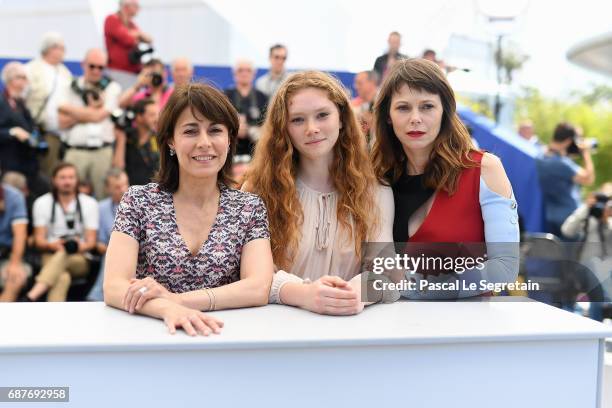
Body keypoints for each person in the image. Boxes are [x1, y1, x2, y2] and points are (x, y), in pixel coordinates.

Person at [104, 83, 273, 336]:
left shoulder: (249, 207)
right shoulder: (138, 201)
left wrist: (178, 301)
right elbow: (114, 287)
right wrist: (164, 310)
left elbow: (258, 287)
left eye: (215, 130)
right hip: (151, 337)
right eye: (191, 131)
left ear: (229, 139)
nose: (204, 143)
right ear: (171, 140)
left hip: (225, 339)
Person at [243, 71, 396, 315]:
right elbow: (251, 275)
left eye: (322, 115)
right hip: (277, 331)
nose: (312, 129)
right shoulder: (258, 189)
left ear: (342, 119)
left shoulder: (375, 191)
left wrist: (357, 293)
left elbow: (387, 272)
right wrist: (306, 295)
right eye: (297, 120)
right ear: (284, 128)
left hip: (350, 331)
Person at [371, 58, 520, 299]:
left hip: (464, 330)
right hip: (391, 328)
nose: (415, 118)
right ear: (388, 116)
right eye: (403, 107)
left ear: (445, 112)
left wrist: (415, 287)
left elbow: (505, 268)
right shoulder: (375, 177)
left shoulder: (484, 169)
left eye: (427, 106)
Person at [27, 163, 99, 302]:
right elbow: (39, 240)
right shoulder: (42, 203)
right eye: (62, 177)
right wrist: (53, 245)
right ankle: (55, 320)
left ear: (77, 180)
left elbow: (91, 242)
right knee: (62, 277)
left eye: (71, 177)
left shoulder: (90, 203)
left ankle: (31, 297)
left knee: (63, 255)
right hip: (50, 253)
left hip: (80, 257)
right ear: (53, 180)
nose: (67, 181)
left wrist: (78, 246)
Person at [58, 48, 122, 199]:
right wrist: (92, 109)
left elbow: (99, 117)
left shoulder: (112, 87)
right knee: (68, 196)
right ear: (83, 64)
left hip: (102, 151)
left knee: (104, 197)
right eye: (92, 66)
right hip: (75, 150)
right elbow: (62, 122)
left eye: (100, 67)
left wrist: (74, 112)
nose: (96, 71)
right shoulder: (69, 86)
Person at [25, 32, 73, 178]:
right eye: (60, 48)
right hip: (41, 131)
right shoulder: (30, 69)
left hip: (63, 134)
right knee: (42, 175)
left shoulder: (65, 72)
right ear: (50, 48)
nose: (63, 52)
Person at [561, 183, 612, 321]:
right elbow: (567, 230)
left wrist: (607, 219)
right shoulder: (587, 215)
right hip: (585, 268)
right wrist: (586, 208)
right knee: (596, 269)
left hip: (607, 269)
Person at [537, 122, 595, 238]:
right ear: (568, 141)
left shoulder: (540, 157)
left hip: (551, 216)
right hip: (570, 220)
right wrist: (585, 152)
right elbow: (589, 178)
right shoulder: (562, 164)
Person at [87, 169, 130, 301]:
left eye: (125, 184)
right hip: (109, 252)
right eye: (117, 187)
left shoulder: (141, 205)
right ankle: (100, 296)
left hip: (137, 251)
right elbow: (98, 243)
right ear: (107, 189)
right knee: (112, 255)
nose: (123, 189)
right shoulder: (100, 208)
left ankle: (96, 296)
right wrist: (114, 251)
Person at [0, 61, 42, 195]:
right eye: (22, 77)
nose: (26, 82)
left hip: (28, 165)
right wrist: (12, 132)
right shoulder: (2, 102)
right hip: (10, 166)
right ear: (11, 80)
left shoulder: (21, 103)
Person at [104, 0, 153, 90]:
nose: (138, 8)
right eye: (136, 5)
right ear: (126, 6)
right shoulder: (111, 19)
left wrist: (136, 34)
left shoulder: (131, 24)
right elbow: (128, 39)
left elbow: (149, 39)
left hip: (132, 72)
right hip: (117, 72)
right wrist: (138, 35)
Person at [224, 60, 268, 157]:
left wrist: (256, 130)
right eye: (240, 70)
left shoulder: (262, 97)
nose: (244, 73)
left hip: (256, 151)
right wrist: (233, 129)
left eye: (248, 70)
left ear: (254, 74)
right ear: (234, 74)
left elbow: (268, 123)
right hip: (230, 150)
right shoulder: (224, 96)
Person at [113, 98, 160, 185]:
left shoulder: (159, 138)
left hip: (156, 190)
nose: (157, 118)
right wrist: (121, 140)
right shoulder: (126, 137)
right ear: (139, 117)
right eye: (152, 115)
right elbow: (117, 169)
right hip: (132, 191)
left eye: (158, 114)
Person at [0, 176, 30, 302]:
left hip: (7, 254)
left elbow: (20, 234)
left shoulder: (15, 197)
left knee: (15, 277)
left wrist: (15, 263)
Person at [351, 70, 379, 144]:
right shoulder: (355, 105)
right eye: (356, 83)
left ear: (371, 83)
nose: (355, 86)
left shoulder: (385, 103)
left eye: (359, 83)